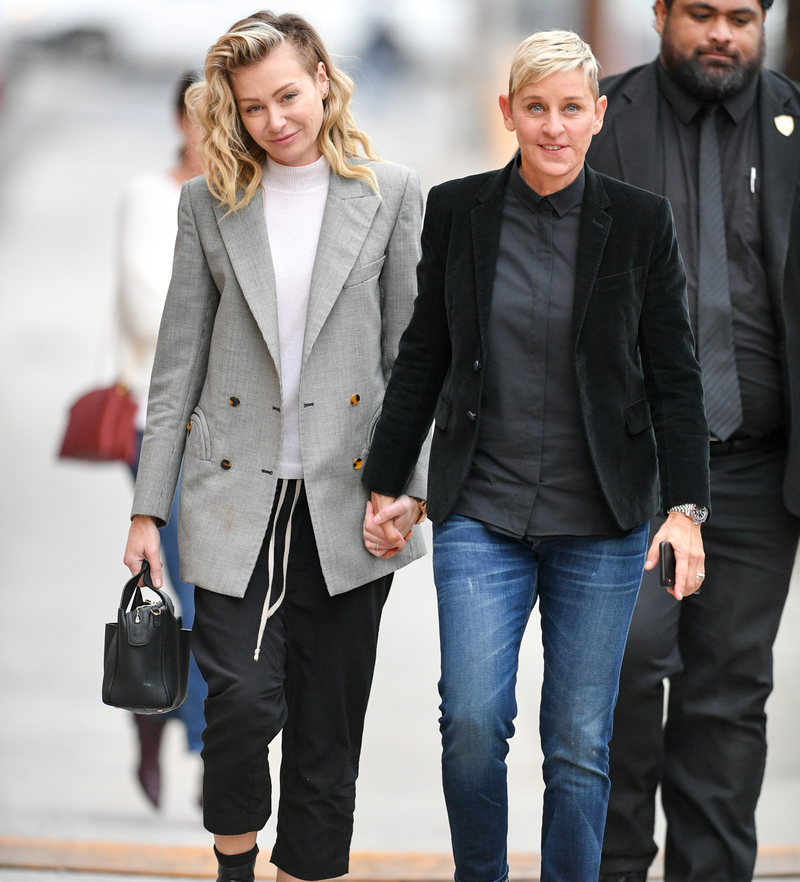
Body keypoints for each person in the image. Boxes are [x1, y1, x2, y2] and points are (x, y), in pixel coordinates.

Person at [361, 29, 710, 882]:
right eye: (535, 108)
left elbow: (676, 375)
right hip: (483, 512)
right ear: (508, 112)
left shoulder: (639, 222)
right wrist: (389, 483)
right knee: (474, 723)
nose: (553, 127)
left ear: (596, 115)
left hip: (603, 524)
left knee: (580, 744)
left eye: (569, 109)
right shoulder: (459, 211)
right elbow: (424, 355)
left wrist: (685, 510)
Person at [122, 11, 427, 882]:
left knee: (330, 728)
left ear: (324, 79)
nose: (275, 120)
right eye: (253, 107)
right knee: (242, 704)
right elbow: (176, 363)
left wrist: (413, 488)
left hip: (351, 496)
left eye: (288, 95)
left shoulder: (393, 192)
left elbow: (416, 356)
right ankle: (233, 862)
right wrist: (148, 506)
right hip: (231, 496)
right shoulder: (209, 202)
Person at [585, 2, 800, 879]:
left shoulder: (796, 127)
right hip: (629, 472)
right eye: (700, 13)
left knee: (728, 699)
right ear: (661, 14)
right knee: (623, 674)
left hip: (756, 473)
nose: (721, 33)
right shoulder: (595, 118)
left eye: (740, 16)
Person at [117, 70, 208, 810]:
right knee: (179, 581)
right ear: (179, 120)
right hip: (157, 423)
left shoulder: (251, 200)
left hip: (229, 429)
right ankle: (170, 721)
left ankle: (203, 737)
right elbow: (151, 312)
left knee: (211, 588)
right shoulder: (153, 196)